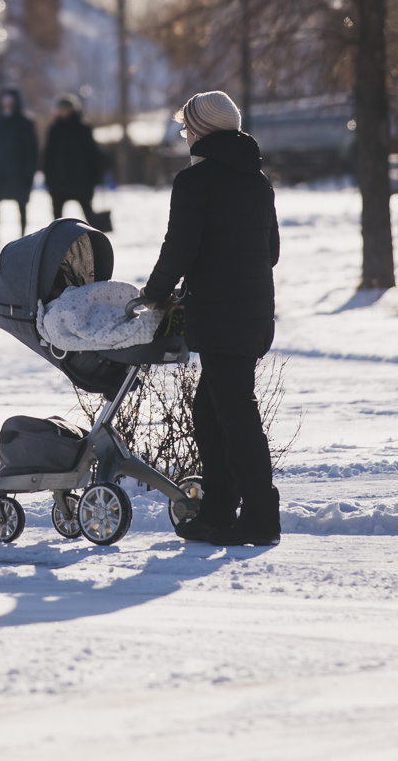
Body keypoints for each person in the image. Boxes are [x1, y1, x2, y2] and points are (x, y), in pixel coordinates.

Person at [127, 90, 282, 547]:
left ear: (201, 131)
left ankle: (259, 518)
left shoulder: (195, 183)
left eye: (187, 127)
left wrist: (153, 295)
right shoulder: (258, 182)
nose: (184, 134)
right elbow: (270, 252)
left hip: (221, 315)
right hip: (252, 314)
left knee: (234, 415)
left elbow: (179, 248)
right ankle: (218, 510)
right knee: (211, 411)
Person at [0, 88, 38, 245]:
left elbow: (31, 150)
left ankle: (23, 237)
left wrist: (29, 173)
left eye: (10, 100)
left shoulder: (25, 122)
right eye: (4, 100)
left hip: (18, 173)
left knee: (21, 206)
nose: (6, 104)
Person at [42, 94, 104, 222]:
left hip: (81, 181)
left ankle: (95, 241)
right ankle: (58, 242)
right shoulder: (54, 130)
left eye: (67, 108)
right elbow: (48, 156)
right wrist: (48, 178)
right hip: (58, 182)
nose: (64, 111)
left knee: (90, 216)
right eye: (61, 109)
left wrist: (95, 177)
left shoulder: (83, 128)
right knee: (57, 221)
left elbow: (93, 154)